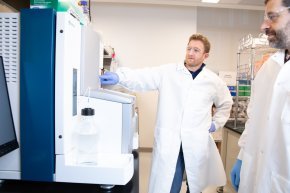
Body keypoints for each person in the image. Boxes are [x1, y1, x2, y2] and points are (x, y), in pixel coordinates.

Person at [100, 34, 233, 193]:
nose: (190, 53)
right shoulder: (169, 72)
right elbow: (142, 76)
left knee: (195, 183)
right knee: (169, 183)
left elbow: (226, 104)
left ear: (205, 56)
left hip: (196, 141)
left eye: (196, 50)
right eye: (189, 48)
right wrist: (119, 76)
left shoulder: (213, 81)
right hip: (170, 140)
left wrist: (215, 123)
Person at [230, 0, 290, 192]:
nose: (263, 26)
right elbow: (254, 118)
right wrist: (241, 156)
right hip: (255, 175)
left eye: (272, 17)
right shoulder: (268, 67)